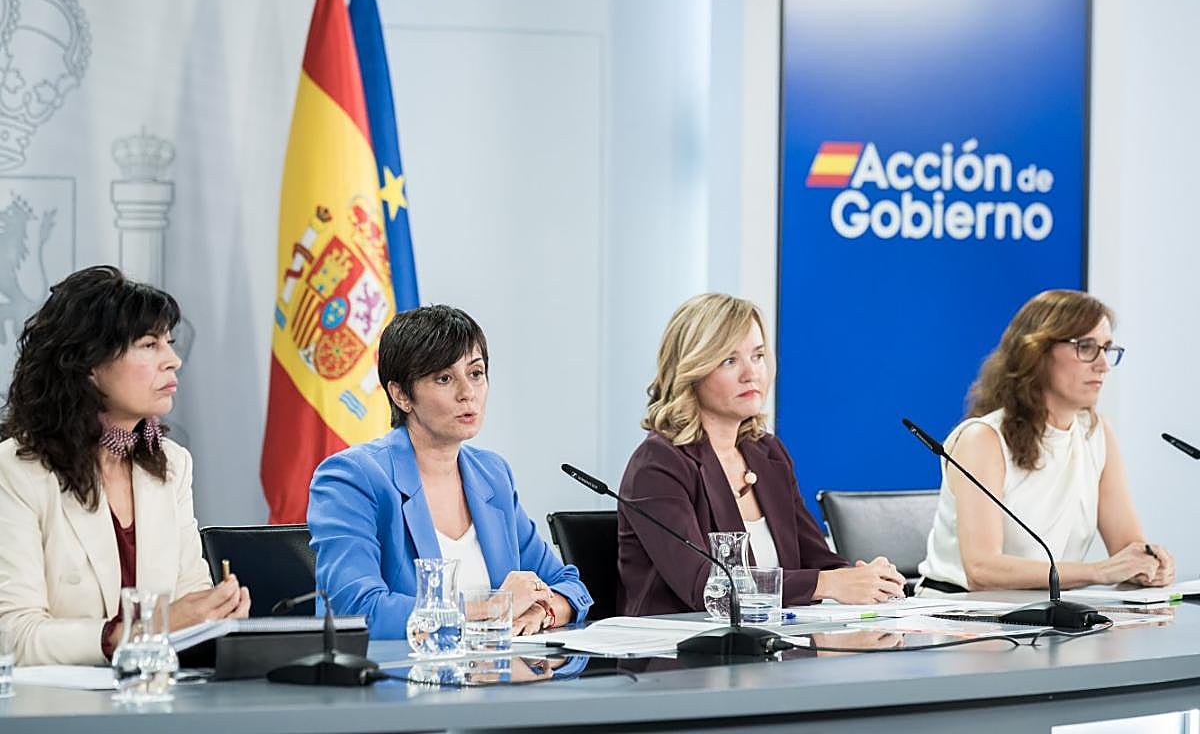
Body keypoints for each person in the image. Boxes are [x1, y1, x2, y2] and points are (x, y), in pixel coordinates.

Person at [0, 266, 249, 666]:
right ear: (88, 365)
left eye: (168, 342)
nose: (173, 360)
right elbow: (14, 637)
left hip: (160, 703)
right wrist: (144, 627)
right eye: (149, 345)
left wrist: (217, 614)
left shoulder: (173, 464)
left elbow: (190, 603)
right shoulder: (15, 469)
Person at [308, 305, 592, 639]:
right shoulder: (353, 478)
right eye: (444, 378)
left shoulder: (492, 475)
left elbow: (569, 587)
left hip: (499, 681)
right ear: (400, 394)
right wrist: (491, 607)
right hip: (395, 684)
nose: (467, 392)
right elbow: (354, 610)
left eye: (476, 373)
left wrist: (543, 612)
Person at [617, 293, 905, 616]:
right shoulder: (657, 465)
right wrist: (830, 583)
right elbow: (708, 588)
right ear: (691, 371)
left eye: (757, 356)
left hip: (768, 648)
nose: (750, 373)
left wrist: (867, 578)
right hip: (679, 657)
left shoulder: (767, 453)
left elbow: (817, 559)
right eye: (729, 360)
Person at [917, 289, 1175, 594]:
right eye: (1086, 347)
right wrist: (1098, 571)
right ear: (1036, 352)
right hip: (961, 617)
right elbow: (981, 571)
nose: (1103, 364)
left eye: (1107, 348)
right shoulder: (983, 439)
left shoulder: (1097, 433)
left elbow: (1126, 547)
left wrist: (1147, 564)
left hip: (1046, 615)